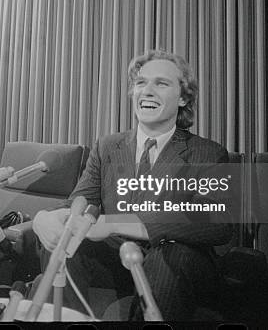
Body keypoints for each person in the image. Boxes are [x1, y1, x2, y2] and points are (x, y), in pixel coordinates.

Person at [32, 50, 234, 321]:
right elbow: (78, 202)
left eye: (161, 84)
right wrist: (43, 219)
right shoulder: (106, 146)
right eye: (141, 83)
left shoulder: (207, 153)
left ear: (183, 97)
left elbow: (217, 221)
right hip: (117, 260)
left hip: (174, 264)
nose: (147, 91)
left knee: (170, 255)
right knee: (65, 242)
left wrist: (115, 223)